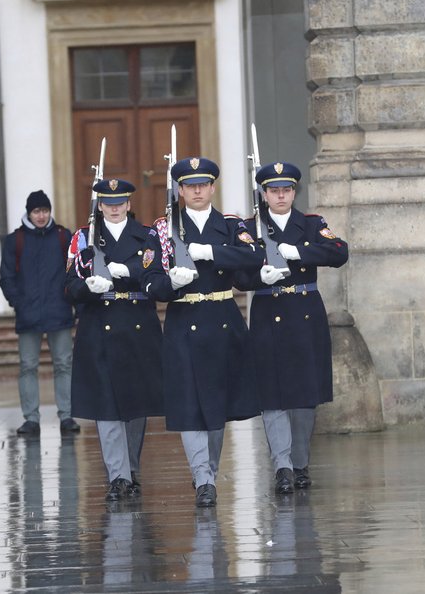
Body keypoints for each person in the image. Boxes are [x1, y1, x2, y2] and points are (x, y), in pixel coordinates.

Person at [148, 157, 263, 507]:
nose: (197, 190)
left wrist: (211, 251)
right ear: (180, 190)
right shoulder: (164, 230)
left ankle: (208, 471)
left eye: (203, 184)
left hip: (221, 319)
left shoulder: (229, 225)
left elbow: (253, 256)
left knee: (215, 406)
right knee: (189, 404)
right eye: (189, 185)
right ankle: (202, 478)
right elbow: (149, 282)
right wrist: (170, 282)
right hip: (184, 321)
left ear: (213, 187)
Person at [234, 161, 348, 494]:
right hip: (269, 312)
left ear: (294, 192)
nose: (280, 196)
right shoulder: (250, 227)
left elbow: (339, 252)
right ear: (264, 194)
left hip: (304, 313)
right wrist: (259, 276)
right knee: (271, 394)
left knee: (303, 396)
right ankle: (282, 466)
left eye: (286, 190)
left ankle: (299, 463)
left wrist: (298, 251)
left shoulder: (311, 224)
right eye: (274, 191)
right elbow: (240, 275)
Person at [65, 178, 166, 501]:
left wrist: (128, 270)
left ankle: (131, 468)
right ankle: (118, 476)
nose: (114, 207)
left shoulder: (147, 235)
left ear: (128, 204)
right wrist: (87, 288)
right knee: (106, 406)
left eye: (119, 201)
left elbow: (156, 268)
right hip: (99, 325)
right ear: (99, 205)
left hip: (137, 325)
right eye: (108, 202)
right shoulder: (84, 238)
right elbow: (68, 285)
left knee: (136, 406)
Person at [0, 190, 80, 436]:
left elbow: (74, 270)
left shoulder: (63, 236)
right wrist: (18, 303)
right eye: (36, 211)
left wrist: (72, 299)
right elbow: (7, 277)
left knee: (64, 364)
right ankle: (31, 418)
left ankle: (67, 415)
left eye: (45, 210)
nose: (41, 216)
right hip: (28, 313)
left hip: (59, 310)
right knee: (27, 365)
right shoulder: (16, 240)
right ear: (29, 213)